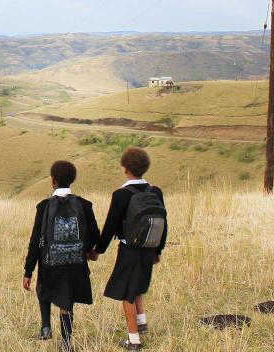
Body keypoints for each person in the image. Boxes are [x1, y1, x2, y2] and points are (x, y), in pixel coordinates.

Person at [90, 147, 168, 351]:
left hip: (129, 250)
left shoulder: (121, 194)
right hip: (149, 248)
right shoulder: (155, 191)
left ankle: (133, 340)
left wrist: (98, 250)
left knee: (127, 294)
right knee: (138, 287)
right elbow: (163, 223)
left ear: (125, 169)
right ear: (145, 168)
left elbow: (110, 226)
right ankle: (141, 323)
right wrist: (158, 251)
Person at [23, 160, 100, 352]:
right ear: (72, 179)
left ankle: (46, 327)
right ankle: (66, 344)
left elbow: (35, 242)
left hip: (50, 263)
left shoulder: (44, 207)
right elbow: (95, 234)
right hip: (75, 263)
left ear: (53, 181)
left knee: (43, 287)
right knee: (66, 302)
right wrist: (87, 251)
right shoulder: (84, 205)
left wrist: (28, 270)